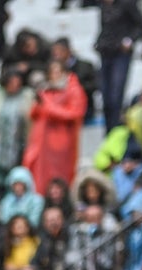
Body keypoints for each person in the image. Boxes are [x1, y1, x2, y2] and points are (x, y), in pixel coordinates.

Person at [24, 59, 87, 196]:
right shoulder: (46, 90)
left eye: (58, 71)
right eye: (52, 72)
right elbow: (34, 114)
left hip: (60, 145)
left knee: (58, 179)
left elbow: (75, 113)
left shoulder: (73, 90)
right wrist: (38, 103)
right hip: (41, 143)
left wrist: (47, 106)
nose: (55, 75)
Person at [96, 0, 142, 130]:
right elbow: (105, 28)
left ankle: (116, 130)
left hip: (120, 54)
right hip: (106, 52)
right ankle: (108, 131)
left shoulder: (127, 3)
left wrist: (129, 40)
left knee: (116, 95)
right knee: (105, 96)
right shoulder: (104, 6)